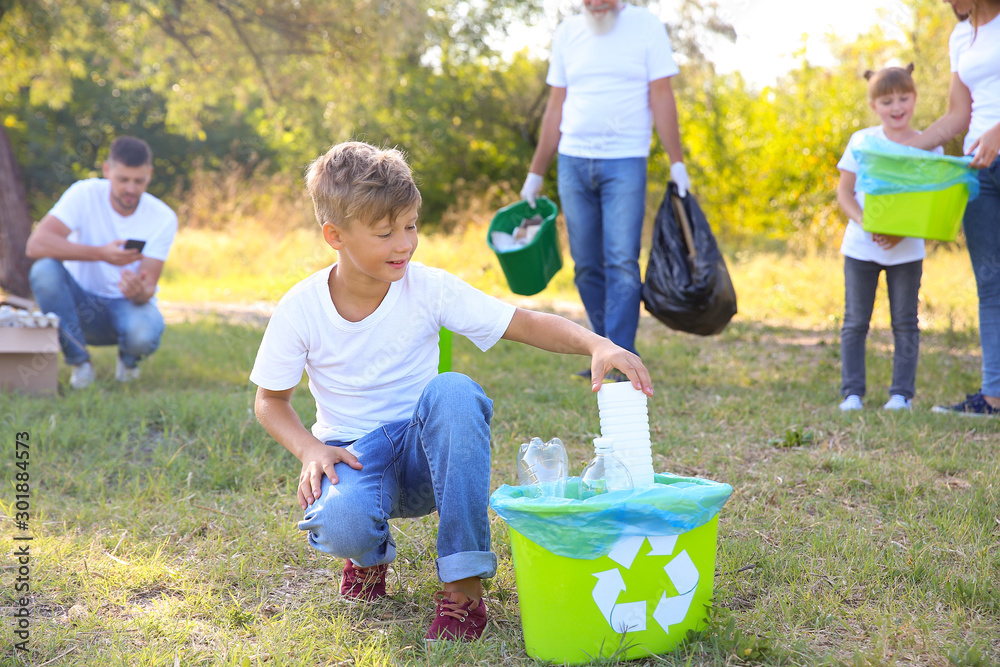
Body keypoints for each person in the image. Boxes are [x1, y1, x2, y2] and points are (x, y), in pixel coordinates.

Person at [249, 141, 653, 642]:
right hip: (355, 457)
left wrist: (596, 343)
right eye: (384, 232)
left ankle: (463, 585)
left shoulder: (429, 287)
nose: (404, 244)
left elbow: (522, 322)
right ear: (335, 235)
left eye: (411, 226)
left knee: (455, 391)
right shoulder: (302, 307)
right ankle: (368, 558)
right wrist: (309, 449)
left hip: (428, 455)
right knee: (343, 523)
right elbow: (271, 401)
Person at [519, 0, 689, 377]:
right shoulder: (567, 32)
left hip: (625, 160)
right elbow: (555, 106)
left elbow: (662, 95)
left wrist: (677, 162)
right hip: (573, 161)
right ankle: (604, 349)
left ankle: (622, 355)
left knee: (622, 261)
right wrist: (536, 171)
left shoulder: (646, 27)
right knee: (586, 265)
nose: (596, 3)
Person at [906, 0, 1000, 416]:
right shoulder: (961, 35)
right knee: (991, 281)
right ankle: (993, 396)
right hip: (978, 172)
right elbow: (958, 115)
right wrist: (903, 148)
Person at [25, 136, 178, 389]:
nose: (130, 188)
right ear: (107, 170)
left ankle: (128, 362)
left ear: (149, 175)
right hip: (78, 305)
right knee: (43, 269)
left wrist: (139, 292)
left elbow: (148, 287)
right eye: (123, 180)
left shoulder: (163, 217)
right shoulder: (83, 194)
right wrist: (100, 253)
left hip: (126, 307)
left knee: (143, 332)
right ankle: (81, 365)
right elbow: (36, 244)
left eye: (138, 181)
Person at [835, 65, 936, 412]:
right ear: (874, 104)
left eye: (904, 98)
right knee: (855, 321)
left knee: (906, 322)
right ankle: (852, 393)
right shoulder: (862, 141)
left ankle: (901, 395)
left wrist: (901, 231)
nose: (897, 107)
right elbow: (845, 193)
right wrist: (868, 224)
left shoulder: (929, 145)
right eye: (887, 100)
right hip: (861, 248)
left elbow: (931, 203)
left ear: (915, 99)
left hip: (907, 251)